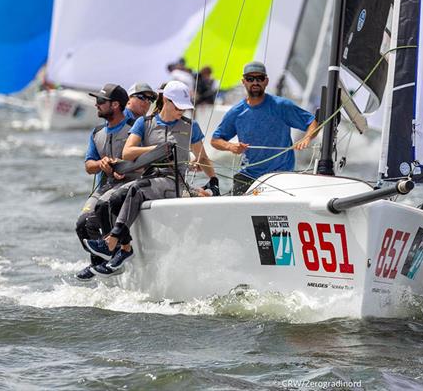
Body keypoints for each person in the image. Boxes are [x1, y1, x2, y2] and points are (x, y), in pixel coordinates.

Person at [82, 81, 219, 276]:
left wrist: (213, 179)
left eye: (185, 107)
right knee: (114, 199)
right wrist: (159, 149)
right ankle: (124, 251)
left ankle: (111, 242)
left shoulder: (190, 126)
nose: (182, 111)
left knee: (137, 190)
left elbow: (202, 157)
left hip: (174, 181)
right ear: (167, 101)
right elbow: (128, 152)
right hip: (150, 178)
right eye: (178, 106)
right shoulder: (144, 123)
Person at [211, 61, 319, 195]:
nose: (255, 82)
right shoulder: (236, 112)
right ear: (243, 81)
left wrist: (307, 138)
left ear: (266, 81)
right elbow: (215, 140)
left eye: (259, 78)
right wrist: (230, 146)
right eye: (250, 79)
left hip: (280, 176)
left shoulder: (281, 106)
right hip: (248, 176)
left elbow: (312, 122)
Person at [74, 83, 137, 280]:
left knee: (105, 207)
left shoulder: (134, 128)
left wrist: (120, 164)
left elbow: (145, 158)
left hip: (128, 183)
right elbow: (88, 166)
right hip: (105, 185)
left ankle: (117, 255)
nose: (96, 105)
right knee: (82, 224)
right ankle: (99, 264)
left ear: (116, 105)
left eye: (101, 101)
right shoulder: (97, 133)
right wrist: (101, 163)